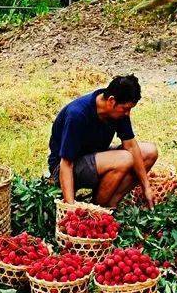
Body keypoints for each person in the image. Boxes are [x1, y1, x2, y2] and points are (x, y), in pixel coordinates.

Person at [47, 74, 158, 209]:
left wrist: (146, 187)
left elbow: (131, 146)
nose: (127, 114)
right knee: (125, 158)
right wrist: (70, 209)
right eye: (126, 108)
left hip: (95, 159)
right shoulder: (77, 114)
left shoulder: (118, 111)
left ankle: (111, 204)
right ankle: (97, 208)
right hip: (63, 168)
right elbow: (66, 164)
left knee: (149, 152)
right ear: (111, 101)